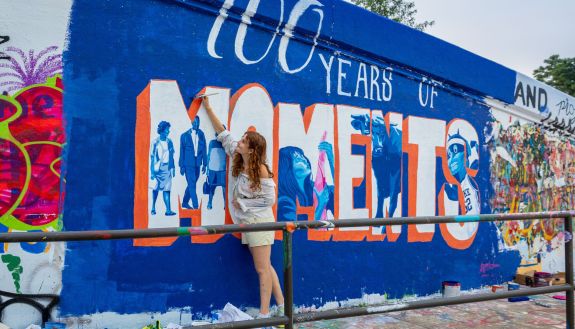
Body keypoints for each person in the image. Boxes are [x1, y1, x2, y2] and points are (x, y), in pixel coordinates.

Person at [202, 96, 284, 320]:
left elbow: (270, 199)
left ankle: (265, 314)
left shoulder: (262, 170)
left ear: (252, 149)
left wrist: (244, 203)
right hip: (250, 222)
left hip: (260, 222)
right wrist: (208, 107)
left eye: (245, 140)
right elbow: (223, 134)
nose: (240, 140)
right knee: (266, 266)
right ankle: (284, 306)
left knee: (261, 269)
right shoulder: (238, 157)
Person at [277, 145, 334, 221]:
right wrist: (320, 206)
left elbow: (339, 196)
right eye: (297, 157)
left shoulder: (313, 188)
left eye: (302, 156)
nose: (304, 159)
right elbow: (296, 231)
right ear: (287, 166)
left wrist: (331, 159)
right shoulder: (284, 201)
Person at [444, 131, 480, 215]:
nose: (452, 158)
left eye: (455, 151)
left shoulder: (472, 173)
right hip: (469, 226)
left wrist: (478, 148)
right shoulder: (458, 186)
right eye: (449, 155)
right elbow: (453, 195)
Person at [179, 116, 207, 209]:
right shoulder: (184, 136)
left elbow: (204, 149)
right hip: (188, 164)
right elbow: (181, 152)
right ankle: (196, 206)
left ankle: (184, 202)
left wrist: (205, 164)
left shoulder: (201, 134)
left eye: (197, 122)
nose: (196, 124)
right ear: (191, 122)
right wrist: (181, 166)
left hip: (197, 164)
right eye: (194, 122)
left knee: (192, 184)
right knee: (192, 185)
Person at [150, 121, 176, 216]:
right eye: (166, 130)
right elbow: (152, 158)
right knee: (156, 189)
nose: (168, 131)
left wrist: (173, 168)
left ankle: (168, 210)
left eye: (168, 130)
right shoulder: (155, 143)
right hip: (158, 170)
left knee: (167, 190)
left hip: (167, 168)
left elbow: (172, 155)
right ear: (161, 131)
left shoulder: (170, 142)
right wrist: (152, 172)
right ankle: (153, 207)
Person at [206, 130, 227, 209]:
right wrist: (207, 168)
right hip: (212, 169)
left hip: (222, 170)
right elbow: (208, 155)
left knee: (224, 188)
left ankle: (225, 204)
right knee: (211, 187)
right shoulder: (212, 143)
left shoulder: (226, 144)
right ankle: (209, 203)